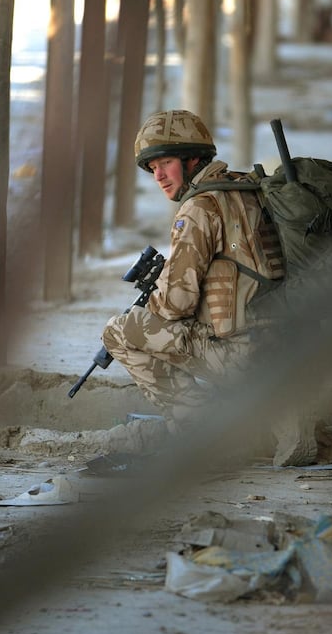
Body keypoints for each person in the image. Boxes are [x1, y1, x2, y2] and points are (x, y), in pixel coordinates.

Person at [101, 110, 284, 442]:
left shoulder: (199, 208)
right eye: (152, 168)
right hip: (290, 348)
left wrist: (153, 300)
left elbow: (176, 305)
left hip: (245, 360)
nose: (158, 176)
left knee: (120, 331)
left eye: (165, 163)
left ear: (192, 159)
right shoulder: (249, 189)